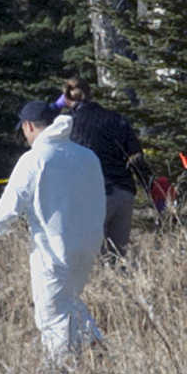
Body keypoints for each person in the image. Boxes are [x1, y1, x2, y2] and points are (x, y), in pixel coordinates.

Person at [0, 100, 105, 361]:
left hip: (52, 250)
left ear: (29, 126)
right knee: (70, 301)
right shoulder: (88, 156)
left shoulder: (34, 159)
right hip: (87, 247)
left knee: (51, 315)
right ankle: (96, 348)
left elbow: (10, 207)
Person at [61, 76, 152, 257]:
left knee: (89, 261)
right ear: (90, 92)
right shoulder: (116, 118)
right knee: (117, 259)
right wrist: (151, 189)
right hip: (123, 194)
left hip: (92, 196)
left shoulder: (67, 124)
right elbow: (136, 158)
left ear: (66, 99)